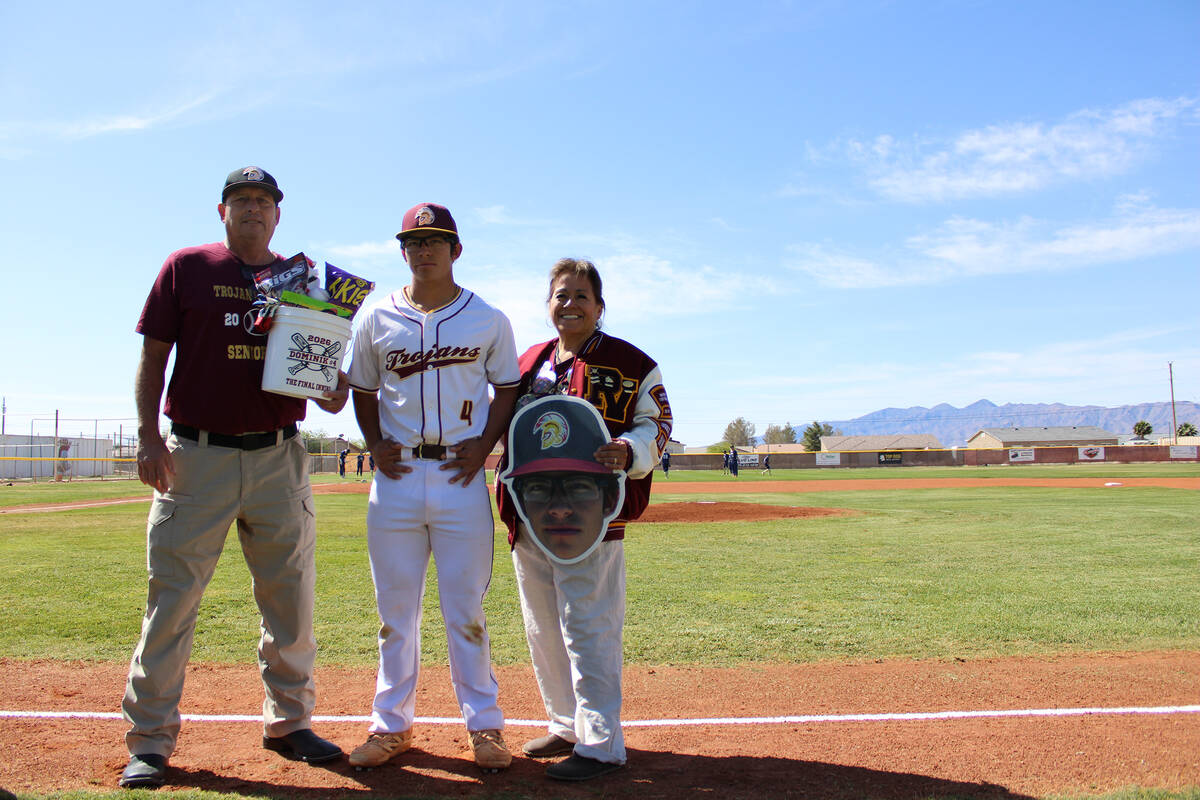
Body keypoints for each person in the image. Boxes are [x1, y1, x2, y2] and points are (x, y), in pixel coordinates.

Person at [120, 166, 348, 790]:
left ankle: (290, 722)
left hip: (279, 454)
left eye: (264, 201)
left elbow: (328, 381)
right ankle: (150, 740)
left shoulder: (305, 280)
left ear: (280, 214)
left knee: (290, 599)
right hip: (196, 454)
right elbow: (152, 354)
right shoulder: (187, 267)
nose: (253, 208)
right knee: (172, 599)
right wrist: (146, 436)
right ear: (221, 210)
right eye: (241, 199)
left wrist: (331, 384)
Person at [345, 202, 520, 772]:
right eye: (414, 241)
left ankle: (486, 727)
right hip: (395, 481)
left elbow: (508, 388)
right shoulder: (377, 316)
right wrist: (374, 443)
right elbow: (362, 389)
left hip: (458, 475)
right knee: (395, 613)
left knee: (465, 609)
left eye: (436, 240)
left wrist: (486, 443)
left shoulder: (486, 317)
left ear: (456, 249)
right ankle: (390, 726)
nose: (424, 250)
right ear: (403, 250)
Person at [495, 258, 673, 781]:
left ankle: (600, 744)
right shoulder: (528, 361)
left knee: (588, 627)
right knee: (543, 627)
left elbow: (657, 422)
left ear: (599, 306)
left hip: (591, 519)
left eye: (580, 296)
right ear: (547, 304)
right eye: (559, 295)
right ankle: (566, 724)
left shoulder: (631, 363)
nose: (568, 304)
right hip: (530, 517)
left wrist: (629, 448)